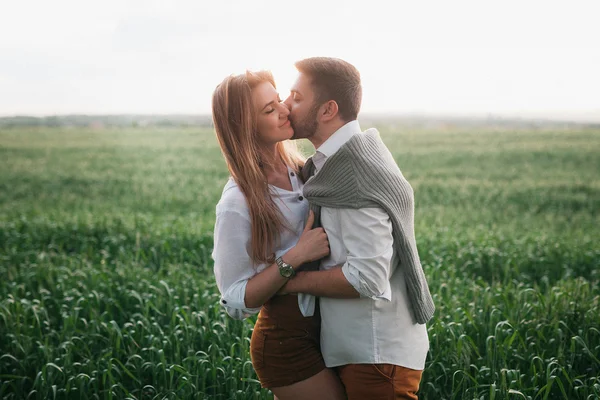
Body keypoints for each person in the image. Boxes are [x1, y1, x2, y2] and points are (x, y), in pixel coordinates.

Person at [280, 57, 435, 399]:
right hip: (361, 349)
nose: (284, 104)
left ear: (327, 109)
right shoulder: (344, 159)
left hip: (375, 353)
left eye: (296, 96)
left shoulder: (352, 173)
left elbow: (367, 277)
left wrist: (286, 281)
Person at [211, 70, 346, 400]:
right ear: (246, 126)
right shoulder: (237, 202)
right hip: (285, 343)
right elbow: (234, 299)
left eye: (279, 100)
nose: (285, 110)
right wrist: (295, 256)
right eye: (269, 110)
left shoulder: (303, 170)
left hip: (328, 330)